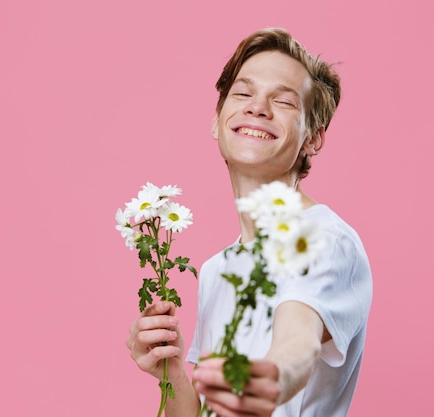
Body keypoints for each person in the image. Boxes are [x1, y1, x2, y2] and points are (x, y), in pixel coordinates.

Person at [126, 27, 373, 417]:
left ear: (313, 139)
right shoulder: (215, 271)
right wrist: (170, 372)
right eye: (243, 94)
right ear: (216, 120)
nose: (257, 107)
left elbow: (298, 342)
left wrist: (269, 379)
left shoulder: (323, 241)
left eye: (285, 101)